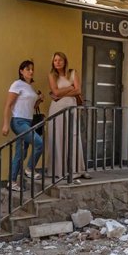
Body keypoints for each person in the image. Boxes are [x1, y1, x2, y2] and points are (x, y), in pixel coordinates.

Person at [2, 60, 44, 191]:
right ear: (21, 71)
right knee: (39, 143)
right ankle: (29, 169)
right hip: (18, 122)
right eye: (27, 69)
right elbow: (8, 105)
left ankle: (12, 182)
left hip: (28, 121)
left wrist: (38, 100)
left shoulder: (29, 87)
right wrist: (5, 124)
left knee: (20, 154)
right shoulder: (17, 84)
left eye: (32, 69)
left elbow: (29, 106)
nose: (31, 71)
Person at [47, 52, 89, 181]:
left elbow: (79, 90)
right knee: (58, 137)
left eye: (60, 60)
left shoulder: (73, 73)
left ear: (65, 61)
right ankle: (60, 170)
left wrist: (61, 93)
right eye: (55, 60)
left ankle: (77, 169)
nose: (58, 62)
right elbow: (55, 92)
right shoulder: (51, 75)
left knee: (73, 136)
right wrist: (70, 88)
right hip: (56, 109)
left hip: (71, 108)